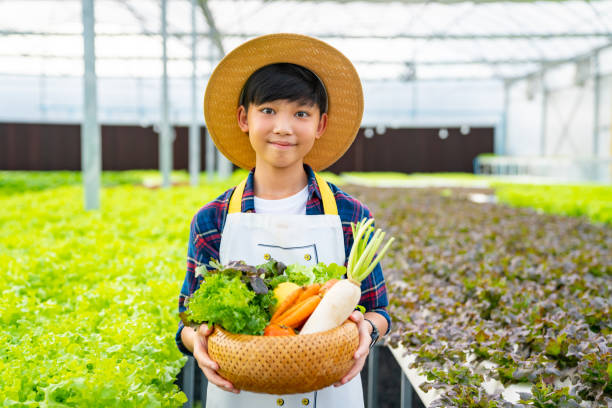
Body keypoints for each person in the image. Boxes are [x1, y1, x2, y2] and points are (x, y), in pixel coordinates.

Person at [176, 33, 391, 408]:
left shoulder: (351, 215)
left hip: (331, 393)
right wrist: (201, 346)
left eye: (301, 114)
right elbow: (187, 318)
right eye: (269, 110)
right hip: (239, 393)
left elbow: (379, 309)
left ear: (320, 125)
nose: (284, 127)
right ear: (245, 118)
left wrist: (366, 332)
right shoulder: (212, 219)